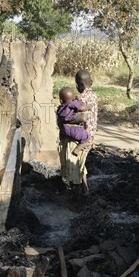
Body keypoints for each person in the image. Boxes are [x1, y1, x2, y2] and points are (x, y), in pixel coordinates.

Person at [58, 69, 98, 197]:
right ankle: (85, 189)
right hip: (90, 137)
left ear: (79, 85)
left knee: (74, 165)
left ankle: (76, 195)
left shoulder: (79, 99)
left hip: (77, 137)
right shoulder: (94, 96)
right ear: (91, 82)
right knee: (81, 163)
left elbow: (70, 118)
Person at [56, 87, 91, 156]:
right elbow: (82, 108)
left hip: (64, 129)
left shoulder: (60, 108)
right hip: (73, 129)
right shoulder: (72, 104)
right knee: (85, 137)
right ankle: (78, 149)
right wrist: (88, 107)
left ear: (61, 100)